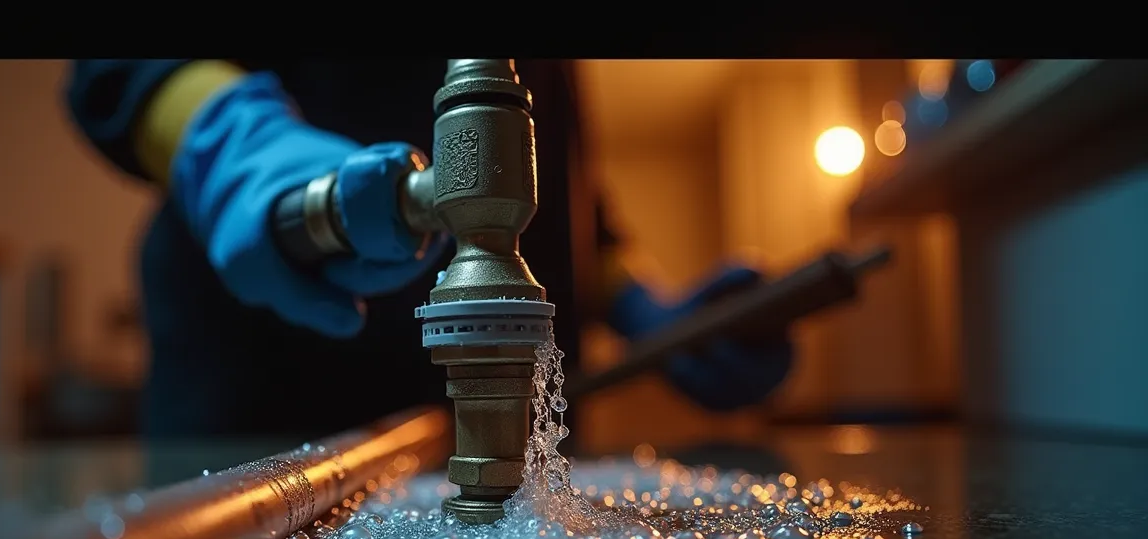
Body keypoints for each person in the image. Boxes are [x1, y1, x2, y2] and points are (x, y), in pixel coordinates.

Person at [63, 59, 794, 441]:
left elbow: (555, 197)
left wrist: (643, 306)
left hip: (528, 435)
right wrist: (238, 143)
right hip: (265, 404)